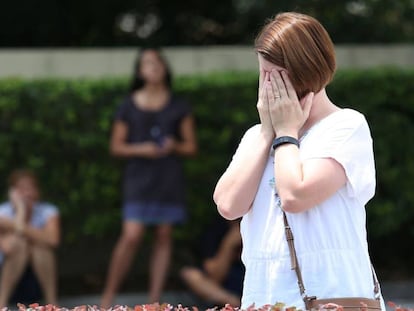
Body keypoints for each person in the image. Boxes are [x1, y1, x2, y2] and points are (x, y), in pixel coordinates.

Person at [213, 12, 385, 310]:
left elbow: (295, 195)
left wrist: (286, 134)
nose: (267, 85)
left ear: (306, 72)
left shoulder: (346, 126)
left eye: (275, 76)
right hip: (264, 296)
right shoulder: (257, 136)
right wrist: (269, 131)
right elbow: (228, 205)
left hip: (333, 293)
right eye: (263, 74)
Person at [100, 47, 197, 308]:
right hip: (138, 178)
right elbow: (115, 146)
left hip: (168, 177)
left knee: (164, 235)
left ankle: (154, 301)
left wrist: (173, 146)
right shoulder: (128, 105)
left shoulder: (179, 105)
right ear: (140, 71)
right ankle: (108, 297)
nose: (153, 67)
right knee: (131, 235)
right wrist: (141, 148)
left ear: (164, 68)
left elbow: (191, 146)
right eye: (147, 63)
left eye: (157, 62)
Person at [0, 169, 60, 307]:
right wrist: (21, 211)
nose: (27, 193)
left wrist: (16, 226)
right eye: (22, 189)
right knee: (20, 246)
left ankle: (53, 304)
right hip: (6, 274)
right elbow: (8, 248)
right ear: (12, 192)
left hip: (37, 278)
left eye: (31, 188)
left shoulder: (48, 211)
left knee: (41, 248)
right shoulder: (2, 212)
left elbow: (53, 240)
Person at [180, 217, 244, 308]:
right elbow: (215, 277)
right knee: (190, 274)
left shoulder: (262, 227)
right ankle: (238, 305)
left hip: (254, 283)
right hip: (227, 289)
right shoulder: (216, 229)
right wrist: (229, 244)